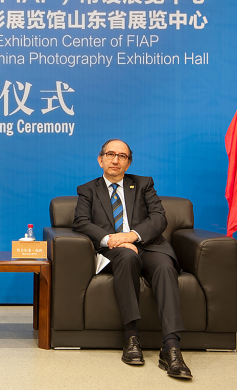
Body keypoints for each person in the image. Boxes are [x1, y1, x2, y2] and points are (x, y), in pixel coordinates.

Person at [72, 139, 192, 379]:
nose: (115, 160)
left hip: (149, 245)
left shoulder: (143, 184)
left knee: (165, 266)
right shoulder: (87, 190)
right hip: (116, 249)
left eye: (122, 156)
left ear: (128, 163)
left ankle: (171, 348)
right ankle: (131, 336)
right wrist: (114, 240)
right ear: (100, 159)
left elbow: (159, 218)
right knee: (126, 256)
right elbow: (81, 222)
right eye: (110, 154)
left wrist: (132, 235)